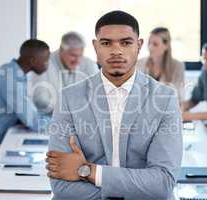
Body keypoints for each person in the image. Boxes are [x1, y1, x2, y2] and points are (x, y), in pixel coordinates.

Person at [46, 10, 182, 200]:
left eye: (126, 43)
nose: (116, 51)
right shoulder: (69, 98)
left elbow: (163, 183)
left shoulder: (164, 99)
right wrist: (137, 190)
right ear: (95, 46)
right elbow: (61, 185)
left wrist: (87, 171)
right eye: (106, 43)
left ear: (139, 45)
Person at [0, 39, 51, 167]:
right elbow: (33, 122)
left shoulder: (10, 70)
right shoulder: (12, 81)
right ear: (33, 61)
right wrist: (61, 123)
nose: (48, 64)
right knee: (40, 167)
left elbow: (25, 114)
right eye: (46, 60)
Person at [29, 31, 99, 110]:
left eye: (80, 55)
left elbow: (97, 95)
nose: (78, 61)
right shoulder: (43, 63)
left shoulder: (89, 64)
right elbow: (41, 100)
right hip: (48, 117)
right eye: (73, 55)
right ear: (61, 50)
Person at [136, 27, 185, 101]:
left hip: (168, 109)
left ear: (166, 45)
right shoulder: (140, 63)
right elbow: (137, 93)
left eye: (155, 44)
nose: (150, 48)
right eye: (149, 43)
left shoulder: (178, 66)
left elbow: (178, 96)